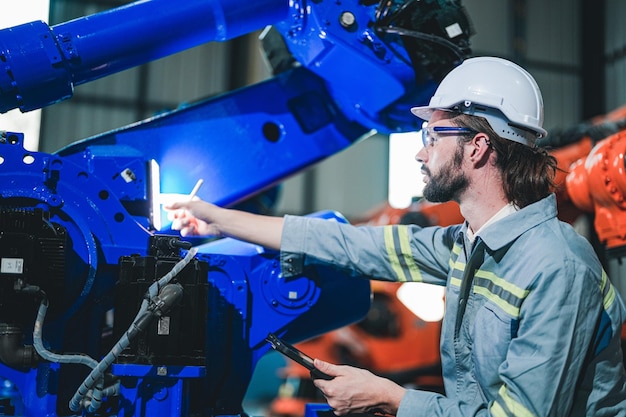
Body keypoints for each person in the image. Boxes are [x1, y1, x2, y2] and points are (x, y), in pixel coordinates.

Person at [166, 57, 626, 416]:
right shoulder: (465, 247)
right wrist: (217, 219)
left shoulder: (557, 269)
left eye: (433, 135)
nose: (421, 153)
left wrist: (389, 397)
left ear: (479, 147)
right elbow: (348, 243)